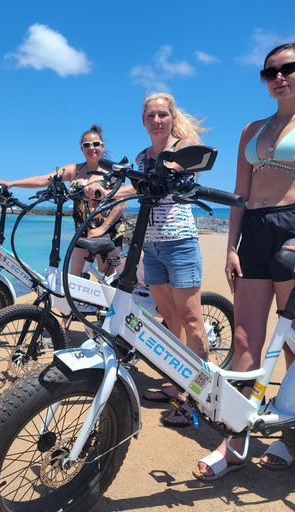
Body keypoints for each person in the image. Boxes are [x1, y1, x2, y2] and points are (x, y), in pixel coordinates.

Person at [194, 41, 295, 480]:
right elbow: (241, 195)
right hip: (255, 233)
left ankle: (289, 433)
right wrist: (231, 247)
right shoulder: (250, 129)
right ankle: (237, 438)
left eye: (288, 68)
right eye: (269, 72)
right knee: (244, 341)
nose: (278, 77)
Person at [89, 92, 210, 427]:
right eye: (151, 116)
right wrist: (105, 191)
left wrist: (118, 188)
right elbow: (132, 186)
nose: (157, 121)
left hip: (180, 243)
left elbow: (159, 176)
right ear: (143, 121)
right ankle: (178, 381)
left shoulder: (184, 146)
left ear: (171, 117)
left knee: (191, 321)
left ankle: (200, 394)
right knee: (169, 318)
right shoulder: (142, 156)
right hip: (152, 246)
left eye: (162, 115)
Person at [0, 125, 128, 277]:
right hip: (82, 233)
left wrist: (102, 229)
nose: (92, 148)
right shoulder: (74, 170)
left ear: (102, 146)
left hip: (109, 234)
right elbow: (42, 180)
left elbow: (121, 203)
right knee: (73, 282)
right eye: (86, 145)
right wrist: (12, 183)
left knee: (105, 284)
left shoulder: (114, 172)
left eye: (96, 144)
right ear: (81, 149)